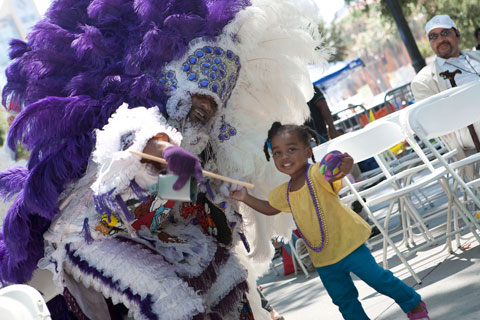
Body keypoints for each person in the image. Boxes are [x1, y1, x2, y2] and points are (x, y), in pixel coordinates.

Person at [0, 0, 327, 319]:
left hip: (156, 234)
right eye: (195, 110)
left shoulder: (202, 159)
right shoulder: (131, 127)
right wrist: (168, 152)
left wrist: (212, 198)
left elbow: (189, 210)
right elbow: (139, 141)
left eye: (207, 117)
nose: (197, 127)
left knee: (227, 272)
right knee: (169, 297)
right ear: (173, 97)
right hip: (94, 235)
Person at [229, 122, 430, 320]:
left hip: (349, 245)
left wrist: (346, 165)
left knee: (379, 279)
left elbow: (335, 171)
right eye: (277, 153)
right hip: (323, 258)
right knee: (344, 300)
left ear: (308, 151)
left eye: (291, 149)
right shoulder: (284, 192)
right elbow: (270, 208)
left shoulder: (317, 174)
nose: (284, 157)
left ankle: (413, 303)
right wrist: (245, 197)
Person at [411, 14, 480, 161]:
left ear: (457, 34)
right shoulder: (424, 80)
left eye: (445, 33)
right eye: (433, 36)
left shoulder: (476, 56)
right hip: (467, 127)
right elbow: (432, 122)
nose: (440, 39)